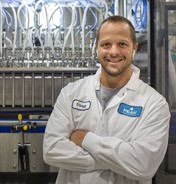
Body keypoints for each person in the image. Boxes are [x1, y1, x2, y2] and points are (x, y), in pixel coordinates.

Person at [43, 15, 171, 184]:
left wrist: (85, 139)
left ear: (135, 47)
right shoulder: (71, 93)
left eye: (122, 44)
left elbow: (144, 165)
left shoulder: (154, 104)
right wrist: (113, 161)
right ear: (97, 47)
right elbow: (51, 150)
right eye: (106, 44)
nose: (113, 52)